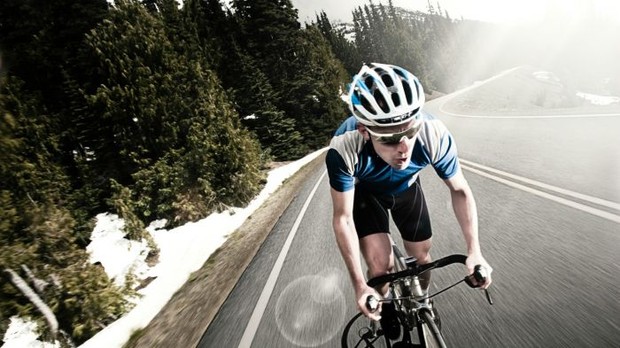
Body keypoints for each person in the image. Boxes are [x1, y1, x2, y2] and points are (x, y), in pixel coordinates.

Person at [326, 63, 493, 329]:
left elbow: (460, 190)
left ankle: (423, 299)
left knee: (422, 259)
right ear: (363, 130)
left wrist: (475, 252)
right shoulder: (344, 148)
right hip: (367, 194)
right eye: (390, 140)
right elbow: (343, 219)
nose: (403, 149)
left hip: (407, 190)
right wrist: (360, 285)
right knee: (380, 267)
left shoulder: (432, 132)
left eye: (409, 132)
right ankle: (383, 305)